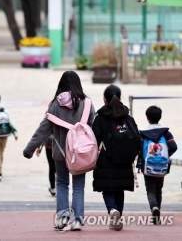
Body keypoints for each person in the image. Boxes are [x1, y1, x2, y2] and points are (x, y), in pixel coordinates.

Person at [23, 71, 95, 231]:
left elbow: (43, 129)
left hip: (60, 153)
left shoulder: (55, 105)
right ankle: (77, 220)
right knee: (78, 187)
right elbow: (93, 128)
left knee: (62, 184)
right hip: (80, 154)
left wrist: (29, 149)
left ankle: (62, 218)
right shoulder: (87, 104)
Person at [91, 84, 140, 231]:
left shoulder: (100, 118)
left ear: (104, 100)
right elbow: (137, 137)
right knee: (120, 189)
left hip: (106, 160)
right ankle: (118, 217)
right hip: (125, 160)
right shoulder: (128, 117)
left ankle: (112, 210)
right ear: (119, 98)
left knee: (107, 188)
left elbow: (94, 138)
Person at [137, 105, 177, 224]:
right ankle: (157, 214)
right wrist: (165, 156)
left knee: (150, 189)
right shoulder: (166, 133)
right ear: (160, 117)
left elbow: (138, 148)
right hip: (162, 166)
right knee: (158, 189)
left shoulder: (143, 133)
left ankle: (153, 207)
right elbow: (174, 146)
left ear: (147, 118)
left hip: (147, 166)